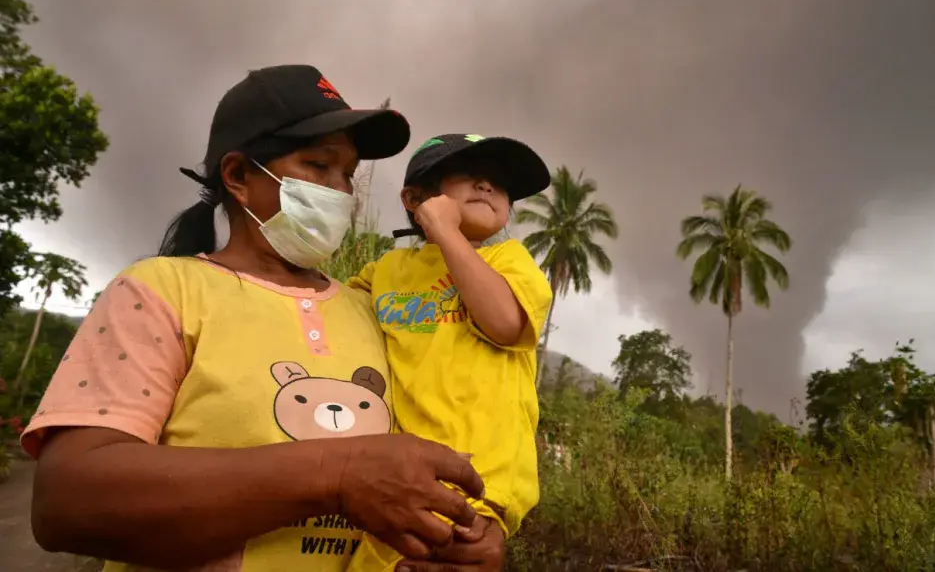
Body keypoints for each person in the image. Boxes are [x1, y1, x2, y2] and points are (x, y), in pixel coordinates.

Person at [20, 66, 507, 572]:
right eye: (318, 165)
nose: (340, 191)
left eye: (347, 174)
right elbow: (67, 502)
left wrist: (469, 538)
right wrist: (335, 475)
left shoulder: (375, 312)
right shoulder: (162, 290)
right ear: (238, 177)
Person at [346, 133, 554, 571]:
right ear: (414, 197)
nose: (486, 186)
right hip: (397, 480)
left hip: (477, 489)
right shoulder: (386, 271)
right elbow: (336, 312)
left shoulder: (511, 262)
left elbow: (503, 322)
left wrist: (445, 231)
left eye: (499, 184)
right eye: (468, 175)